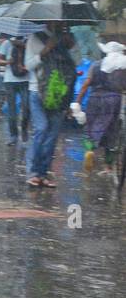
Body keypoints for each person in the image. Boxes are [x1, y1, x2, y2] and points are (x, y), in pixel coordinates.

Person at [23, 25, 76, 187]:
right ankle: (32, 171)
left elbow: (76, 64)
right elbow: (29, 65)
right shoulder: (35, 38)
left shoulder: (66, 38)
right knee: (42, 128)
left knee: (52, 136)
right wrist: (46, 50)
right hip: (37, 91)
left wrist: (71, 46)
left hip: (59, 93)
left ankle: (43, 173)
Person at [71, 40, 126, 170]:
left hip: (94, 98)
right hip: (114, 99)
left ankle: (89, 149)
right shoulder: (122, 68)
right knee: (111, 129)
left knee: (91, 126)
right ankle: (108, 165)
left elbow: (86, 84)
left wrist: (77, 101)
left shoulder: (96, 65)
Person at [0, 34, 29, 144]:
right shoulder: (6, 44)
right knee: (12, 109)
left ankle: (24, 129)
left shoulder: (28, 42)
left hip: (25, 80)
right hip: (10, 80)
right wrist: (8, 62)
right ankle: (13, 135)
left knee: (26, 107)